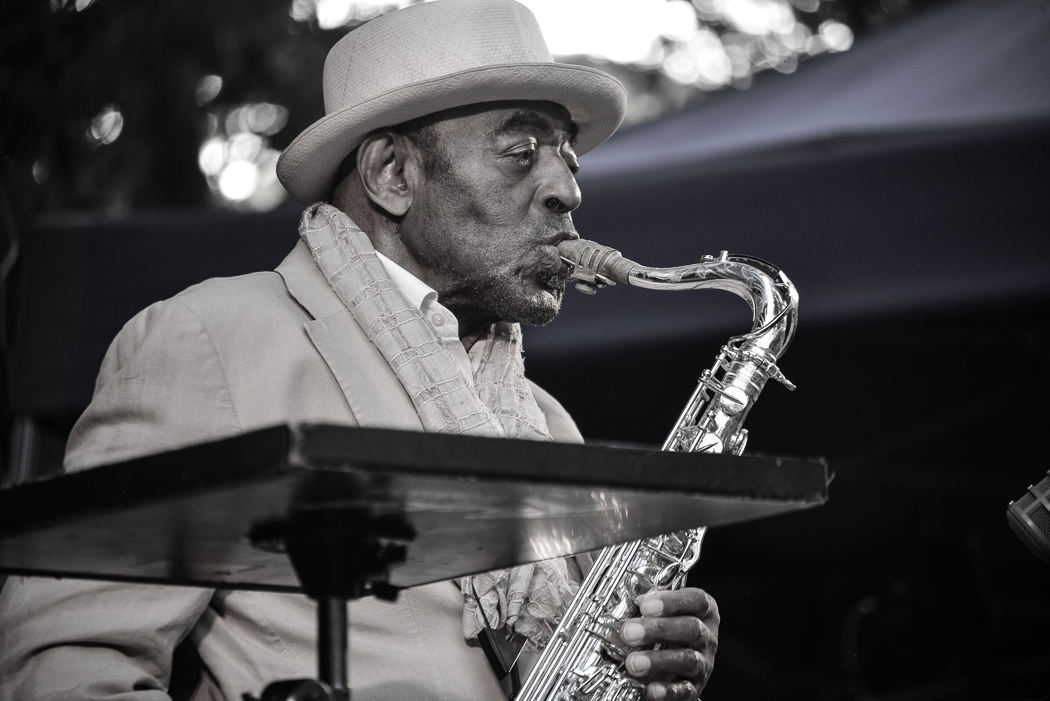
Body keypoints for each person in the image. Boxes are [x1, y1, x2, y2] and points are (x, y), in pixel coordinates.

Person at [0, 1, 719, 699]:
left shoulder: (547, 421)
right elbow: (60, 669)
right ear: (391, 175)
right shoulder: (210, 342)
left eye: (567, 160)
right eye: (520, 153)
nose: (566, 189)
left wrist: (637, 663)